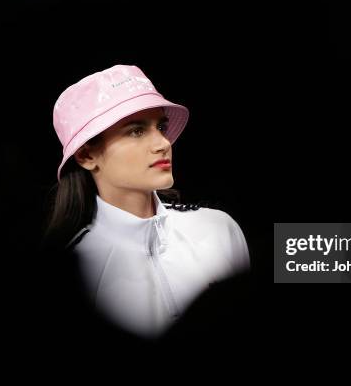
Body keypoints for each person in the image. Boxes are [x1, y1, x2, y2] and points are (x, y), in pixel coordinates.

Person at [42, 64, 250, 338]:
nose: (163, 143)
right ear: (86, 156)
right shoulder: (70, 272)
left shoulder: (219, 229)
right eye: (136, 131)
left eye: (161, 126)